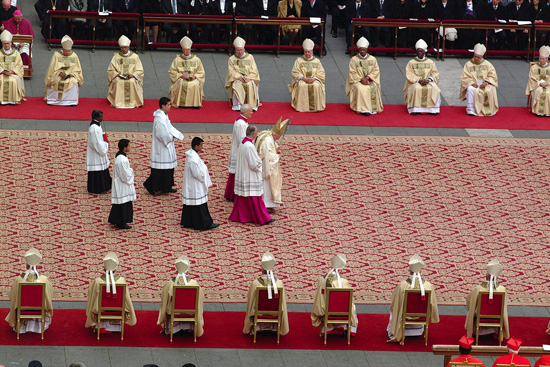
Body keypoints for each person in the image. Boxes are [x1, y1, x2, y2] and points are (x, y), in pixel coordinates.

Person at [387, 254, 440, 344]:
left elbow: (395, 303)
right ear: (421, 270)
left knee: (394, 308)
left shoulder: (402, 285)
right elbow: (432, 304)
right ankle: (418, 331)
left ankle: (398, 330)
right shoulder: (428, 286)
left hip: (404, 315)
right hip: (422, 316)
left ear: (409, 270)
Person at [229, 126, 273, 225]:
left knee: (244, 198)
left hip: (243, 172)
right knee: (255, 197)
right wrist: (260, 158)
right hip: (249, 175)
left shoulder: (243, 142)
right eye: (256, 133)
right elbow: (253, 164)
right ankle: (262, 217)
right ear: (253, 134)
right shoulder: (249, 146)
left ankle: (241, 216)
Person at [5, 248, 54, 334]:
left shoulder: (18, 280)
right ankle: (38, 327)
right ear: (38, 266)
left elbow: (12, 296)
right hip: (40, 309)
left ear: (26, 265)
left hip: (22, 310)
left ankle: (22, 326)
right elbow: (49, 297)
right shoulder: (45, 280)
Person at [85, 252, 137, 332]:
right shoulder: (121, 281)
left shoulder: (97, 281)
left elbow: (92, 297)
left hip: (101, 311)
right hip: (118, 311)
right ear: (115, 269)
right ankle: (114, 325)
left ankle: (99, 325)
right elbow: (126, 300)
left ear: (104, 268)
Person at [143, 97, 184, 195]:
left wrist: (177, 134)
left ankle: (167, 187)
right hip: (162, 147)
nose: (171, 106)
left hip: (166, 146)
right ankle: (153, 187)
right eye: (169, 104)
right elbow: (162, 135)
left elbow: (169, 127)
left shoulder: (164, 115)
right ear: (163, 106)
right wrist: (172, 137)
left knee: (168, 169)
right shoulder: (160, 118)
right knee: (160, 169)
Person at [243, 251, 289, 336]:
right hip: (275, 313)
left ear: (262, 270)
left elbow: (250, 300)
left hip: (258, 313)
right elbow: (282, 303)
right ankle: (274, 327)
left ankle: (257, 327)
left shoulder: (256, 283)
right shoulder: (279, 283)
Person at [157, 255, 205, 336]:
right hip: (191, 310)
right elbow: (200, 299)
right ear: (188, 270)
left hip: (173, 310)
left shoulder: (170, 284)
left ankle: (170, 328)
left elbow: (164, 299)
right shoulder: (194, 284)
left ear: (176, 271)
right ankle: (191, 327)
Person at [311, 254, 358, 335]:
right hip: (342, 311)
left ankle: (329, 326)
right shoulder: (343, 282)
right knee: (352, 306)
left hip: (325, 309)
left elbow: (319, 297)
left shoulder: (322, 279)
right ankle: (345, 328)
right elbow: (347, 298)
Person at [465, 259, 510, 341]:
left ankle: (478, 331)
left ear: (486, 276)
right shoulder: (502, 289)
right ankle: (496, 332)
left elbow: (469, 301)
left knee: (471, 310)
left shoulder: (478, 289)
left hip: (480, 317)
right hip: (497, 318)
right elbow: (504, 308)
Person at [181, 137, 219, 230]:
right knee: (199, 204)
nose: (202, 148)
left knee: (191, 204)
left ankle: (188, 222)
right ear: (196, 146)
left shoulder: (192, 154)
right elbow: (197, 173)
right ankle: (204, 224)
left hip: (192, 184)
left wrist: (205, 167)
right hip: (195, 185)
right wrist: (206, 170)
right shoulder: (192, 158)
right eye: (201, 145)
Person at [254, 117, 289, 211]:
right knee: (268, 184)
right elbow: (269, 157)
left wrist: (276, 146)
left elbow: (269, 146)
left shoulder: (266, 133)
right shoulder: (268, 141)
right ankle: (267, 204)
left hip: (259, 162)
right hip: (266, 166)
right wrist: (277, 157)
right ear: (276, 135)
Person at [346, 37, 383, 115]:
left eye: (363, 50)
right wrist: (361, 79)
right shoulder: (354, 60)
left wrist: (368, 78)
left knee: (374, 87)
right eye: (360, 50)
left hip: (370, 80)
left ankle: (373, 108)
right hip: (358, 80)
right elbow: (352, 73)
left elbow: (376, 71)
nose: (362, 51)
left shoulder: (373, 59)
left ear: (367, 50)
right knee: (360, 88)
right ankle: (362, 109)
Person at [460, 43, 499, 116]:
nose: (476, 59)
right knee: (470, 89)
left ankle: (489, 109)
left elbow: (493, 76)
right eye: (475, 56)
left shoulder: (488, 64)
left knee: (491, 88)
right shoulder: (468, 64)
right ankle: (471, 109)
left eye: (478, 57)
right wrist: (472, 83)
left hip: (484, 84)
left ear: (482, 57)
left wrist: (486, 82)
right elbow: (465, 77)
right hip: (474, 84)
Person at [403, 39, 440, 115]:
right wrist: (419, 80)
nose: (419, 53)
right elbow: (409, 74)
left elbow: (435, 73)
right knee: (416, 88)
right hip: (415, 82)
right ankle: (415, 109)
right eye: (418, 51)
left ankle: (432, 110)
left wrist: (429, 80)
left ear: (424, 52)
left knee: (435, 88)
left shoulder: (430, 62)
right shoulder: (411, 63)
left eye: (421, 51)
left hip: (428, 82)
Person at [44, 35, 83, 106]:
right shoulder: (56, 55)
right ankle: (53, 100)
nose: (67, 53)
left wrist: (72, 74)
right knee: (55, 81)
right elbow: (52, 68)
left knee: (73, 81)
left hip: (70, 75)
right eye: (65, 51)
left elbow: (77, 69)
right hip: (58, 74)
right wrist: (59, 73)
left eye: (68, 51)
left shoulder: (74, 56)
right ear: (62, 49)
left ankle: (71, 101)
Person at [288, 38, 326, 112]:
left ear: (312, 52)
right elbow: (295, 72)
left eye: (309, 52)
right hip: (302, 79)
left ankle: (316, 107)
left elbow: (321, 72)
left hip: (314, 79)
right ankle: (302, 107)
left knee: (316, 85)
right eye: (305, 52)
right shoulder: (299, 60)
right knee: (302, 85)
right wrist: (303, 78)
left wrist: (314, 78)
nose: (307, 54)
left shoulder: (317, 61)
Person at [107, 35, 144, 108]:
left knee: (132, 81)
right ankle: (118, 102)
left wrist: (133, 75)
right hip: (120, 77)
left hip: (131, 77)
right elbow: (111, 70)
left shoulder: (135, 57)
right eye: (122, 48)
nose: (123, 49)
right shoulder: (116, 57)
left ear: (128, 47)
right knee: (118, 81)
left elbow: (139, 70)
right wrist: (117, 74)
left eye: (125, 47)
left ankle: (133, 102)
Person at [224, 36, 261, 111]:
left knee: (250, 84)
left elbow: (254, 70)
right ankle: (238, 106)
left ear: (244, 49)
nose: (239, 52)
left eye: (241, 50)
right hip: (238, 79)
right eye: (237, 50)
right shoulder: (232, 59)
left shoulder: (250, 57)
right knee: (238, 85)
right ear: (235, 50)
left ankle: (251, 106)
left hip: (249, 78)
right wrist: (239, 77)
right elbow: (231, 71)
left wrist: (249, 78)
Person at [224, 104, 251, 201]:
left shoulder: (242, 122)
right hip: (239, 152)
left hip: (240, 150)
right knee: (236, 172)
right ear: (246, 112)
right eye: (251, 111)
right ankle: (232, 195)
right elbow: (241, 140)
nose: (252, 113)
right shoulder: (240, 124)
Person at [168, 36, 205, 108]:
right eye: (185, 50)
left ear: (190, 49)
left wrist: (195, 76)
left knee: (195, 84)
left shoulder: (197, 59)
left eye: (188, 50)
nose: (187, 51)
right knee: (181, 83)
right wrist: (180, 75)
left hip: (193, 78)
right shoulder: (177, 59)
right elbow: (172, 71)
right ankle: (181, 103)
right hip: (181, 78)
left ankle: (195, 104)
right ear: (182, 50)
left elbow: (201, 71)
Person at [108, 139, 136, 230]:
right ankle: (121, 223)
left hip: (120, 184)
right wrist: (132, 169)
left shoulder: (120, 157)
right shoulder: (122, 160)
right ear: (124, 148)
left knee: (120, 203)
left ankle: (117, 220)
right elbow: (125, 176)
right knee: (123, 203)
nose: (130, 147)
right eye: (129, 146)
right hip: (122, 185)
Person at [87, 110, 111, 194]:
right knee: (98, 168)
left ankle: (105, 185)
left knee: (102, 167)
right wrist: (105, 146)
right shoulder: (94, 128)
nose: (102, 118)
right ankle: (97, 188)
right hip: (96, 151)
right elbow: (95, 142)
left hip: (99, 149)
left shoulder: (97, 126)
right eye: (101, 116)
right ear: (96, 117)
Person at [0, 30, 25, 104]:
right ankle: (2, 100)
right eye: (4, 44)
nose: (6, 45)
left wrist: (12, 71)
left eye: (8, 43)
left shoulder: (16, 53)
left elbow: (19, 65)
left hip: (13, 73)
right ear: (2, 43)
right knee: (1, 80)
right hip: (2, 74)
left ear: (11, 43)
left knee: (13, 81)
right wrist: (3, 71)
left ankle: (13, 100)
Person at [526, 46, 550, 116]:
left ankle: (547, 112)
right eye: (540, 58)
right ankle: (538, 112)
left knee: (548, 93)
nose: (541, 60)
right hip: (536, 85)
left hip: (548, 85)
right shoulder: (534, 67)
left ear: (546, 59)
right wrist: (539, 83)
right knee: (539, 91)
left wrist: (547, 83)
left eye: (543, 59)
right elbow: (531, 78)